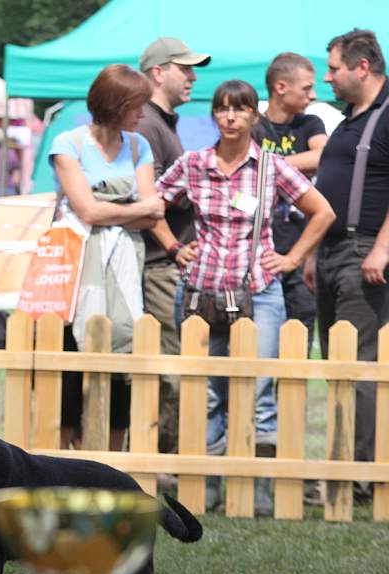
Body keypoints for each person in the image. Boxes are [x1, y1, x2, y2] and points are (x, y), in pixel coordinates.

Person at [159, 80, 335, 510]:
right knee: (211, 390)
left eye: (240, 110)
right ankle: (211, 487)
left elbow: (323, 212)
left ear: (255, 116)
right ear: (215, 116)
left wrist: (292, 259)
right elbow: (152, 205)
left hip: (258, 291)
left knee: (258, 389)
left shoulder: (272, 167)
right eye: (223, 110)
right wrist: (174, 247)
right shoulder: (194, 163)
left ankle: (256, 488)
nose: (231, 117)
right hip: (202, 290)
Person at [50, 64, 167, 452]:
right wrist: (131, 207)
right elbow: (88, 212)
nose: (143, 114)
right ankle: (63, 451)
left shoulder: (138, 146)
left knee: (121, 352)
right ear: (115, 105)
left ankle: (112, 455)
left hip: (125, 266)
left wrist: (109, 207)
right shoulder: (69, 144)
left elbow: (155, 211)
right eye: (137, 105)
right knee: (69, 362)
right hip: (77, 267)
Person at [310, 29, 389, 494]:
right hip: (331, 252)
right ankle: (345, 468)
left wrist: (383, 247)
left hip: (364, 255)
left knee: (359, 365)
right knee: (337, 363)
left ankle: (359, 479)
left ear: (362, 67)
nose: (328, 78)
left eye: (334, 68)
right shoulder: (349, 117)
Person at [135, 37, 210, 455]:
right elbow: (151, 202)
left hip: (167, 265)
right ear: (159, 72)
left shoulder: (161, 121)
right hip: (160, 265)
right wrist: (173, 246)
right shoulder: (148, 123)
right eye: (186, 69)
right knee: (171, 367)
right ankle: (162, 458)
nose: (194, 78)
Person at [254, 52, 328, 355]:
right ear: (281, 87)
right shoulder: (253, 126)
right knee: (257, 345)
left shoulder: (310, 123)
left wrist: (274, 166)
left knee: (299, 336)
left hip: (300, 250)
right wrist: (297, 168)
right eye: (306, 88)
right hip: (261, 253)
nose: (313, 95)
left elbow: (323, 156)